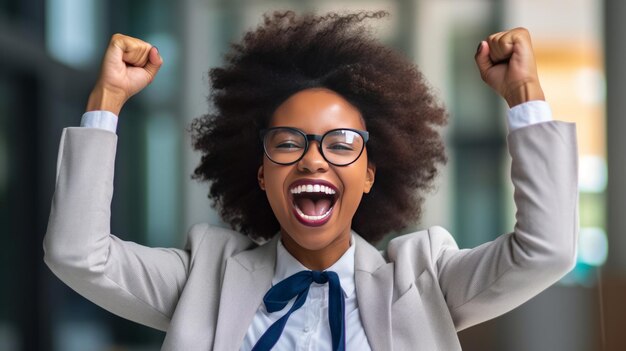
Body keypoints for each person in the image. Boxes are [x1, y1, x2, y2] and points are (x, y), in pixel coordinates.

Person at [43, 11, 578, 351]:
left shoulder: (423, 281)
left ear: (370, 174)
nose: (313, 161)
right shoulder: (204, 279)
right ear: (260, 171)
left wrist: (524, 95)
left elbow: (547, 250)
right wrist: (105, 103)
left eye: (341, 143)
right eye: (288, 142)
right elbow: (77, 254)